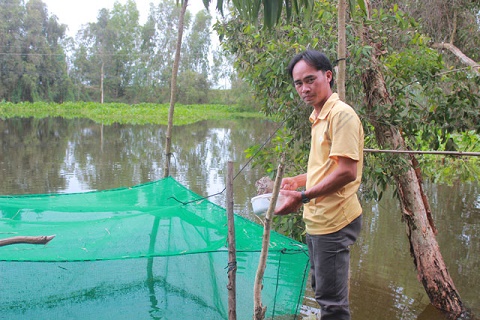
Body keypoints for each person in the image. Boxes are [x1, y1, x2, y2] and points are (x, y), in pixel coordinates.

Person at [274, 50, 364, 320]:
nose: (304, 88)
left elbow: (347, 172)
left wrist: (301, 196)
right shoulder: (319, 116)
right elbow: (328, 168)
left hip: (333, 222)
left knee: (332, 305)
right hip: (318, 220)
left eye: (310, 80)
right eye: (298, 83)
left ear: (328, 76)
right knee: (322, 291)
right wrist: (296, 182)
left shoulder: (341, 115)